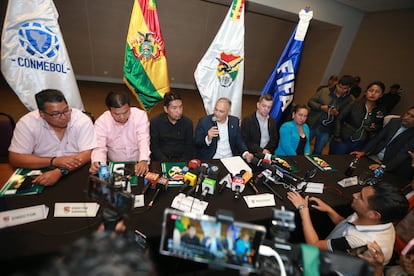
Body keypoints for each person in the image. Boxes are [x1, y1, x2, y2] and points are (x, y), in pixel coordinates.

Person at [287, 182, 408, 265]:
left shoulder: (363, 241)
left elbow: (314, 245)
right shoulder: (378, 221)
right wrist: (329, 210)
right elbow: (345, 226)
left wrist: (303, 208)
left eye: (360, 197)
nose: (354, 195)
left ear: (374, 215)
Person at [8, 89, 96, 186]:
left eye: (66, 110)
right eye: (55, 114)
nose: (63, 117)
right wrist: (54, 161)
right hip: (41, 169)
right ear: (42, 114)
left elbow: (87, 154)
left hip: (76, 169)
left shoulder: (81, 120)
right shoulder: (27, 123)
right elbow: (15, 158)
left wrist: (60, 171)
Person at [90, 90, 150, 176]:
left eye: (126, 112)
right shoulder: (102, 122)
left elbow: (144, 140)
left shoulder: (140, 116)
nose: (122, 117)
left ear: (129, 107)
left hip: (138, 161)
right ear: (110, 111)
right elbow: (99, 147)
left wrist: (143, 160)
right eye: (117, 114)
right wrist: (98, 162)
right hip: (115, 164)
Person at [352, 106, 414, 181]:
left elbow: (401, 155)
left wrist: (383, 167)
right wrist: (363, 151)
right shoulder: (394, 121)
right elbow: (378, 137)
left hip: (389, 165)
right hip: (375, 156)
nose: (407, 117)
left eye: (412, 117)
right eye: (407, 113)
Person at [330, 81, 386, 154]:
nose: (373, 93)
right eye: (371, 90)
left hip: (360, 143)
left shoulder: (380, 110)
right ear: (366, 92)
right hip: (344, 139)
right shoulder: (354, 104)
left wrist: (374, 127)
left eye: (377, 92)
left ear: (381, 95)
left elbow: (380, 126)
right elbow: (339, 118)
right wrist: (337, 135)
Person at [194, 97, 254, 162]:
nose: (217, 113)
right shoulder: (204, 122)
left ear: (228, 112)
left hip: (230, 158)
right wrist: (208, 139)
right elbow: (197, 143)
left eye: (221, 111)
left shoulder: (234, 121)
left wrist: (246, 153)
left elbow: (239, 140)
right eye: (216, 109)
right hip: (212, 158)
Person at [307, 75, 354, 155]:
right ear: (336, 84)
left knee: (318, 151)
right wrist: (321, 107)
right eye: (340, 87)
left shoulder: (350, 100)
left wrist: (337, 114)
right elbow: (310, 102)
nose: (341, 90)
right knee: (301, 145)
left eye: (345, 89)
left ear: (349, 88)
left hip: (327, 130)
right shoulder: (324, 91)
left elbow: (347, 118)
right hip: (313, 124)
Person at [150, 91, 193, 161]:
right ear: (166, 109)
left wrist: (181, 163)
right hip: (161, 159)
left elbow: (189, 147)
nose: (179, 111)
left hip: (181, 159)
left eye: (180, 107)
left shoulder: (188, 123)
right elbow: (154, 147)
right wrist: (166, 162)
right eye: (174, 108)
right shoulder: (156, 122)